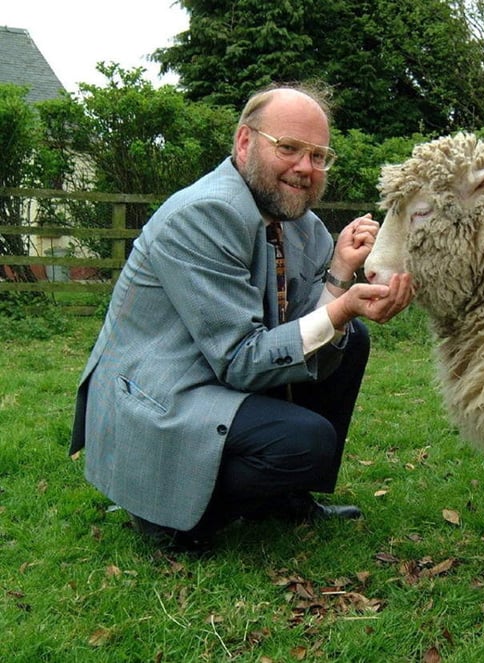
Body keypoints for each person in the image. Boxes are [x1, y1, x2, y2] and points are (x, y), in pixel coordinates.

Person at [69, 84, 414, 553]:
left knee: (349, 340)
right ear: (245, 142)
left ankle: (284, 497)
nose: (305, 168)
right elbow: (241, 360)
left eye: (318, 156)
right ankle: (164, 516)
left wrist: (339, 274)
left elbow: (298, 328)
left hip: (218, 374)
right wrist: (341, 306)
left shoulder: (302, 224)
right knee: (305, 440)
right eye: (289, 148)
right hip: (159, 395)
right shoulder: (202, 215)